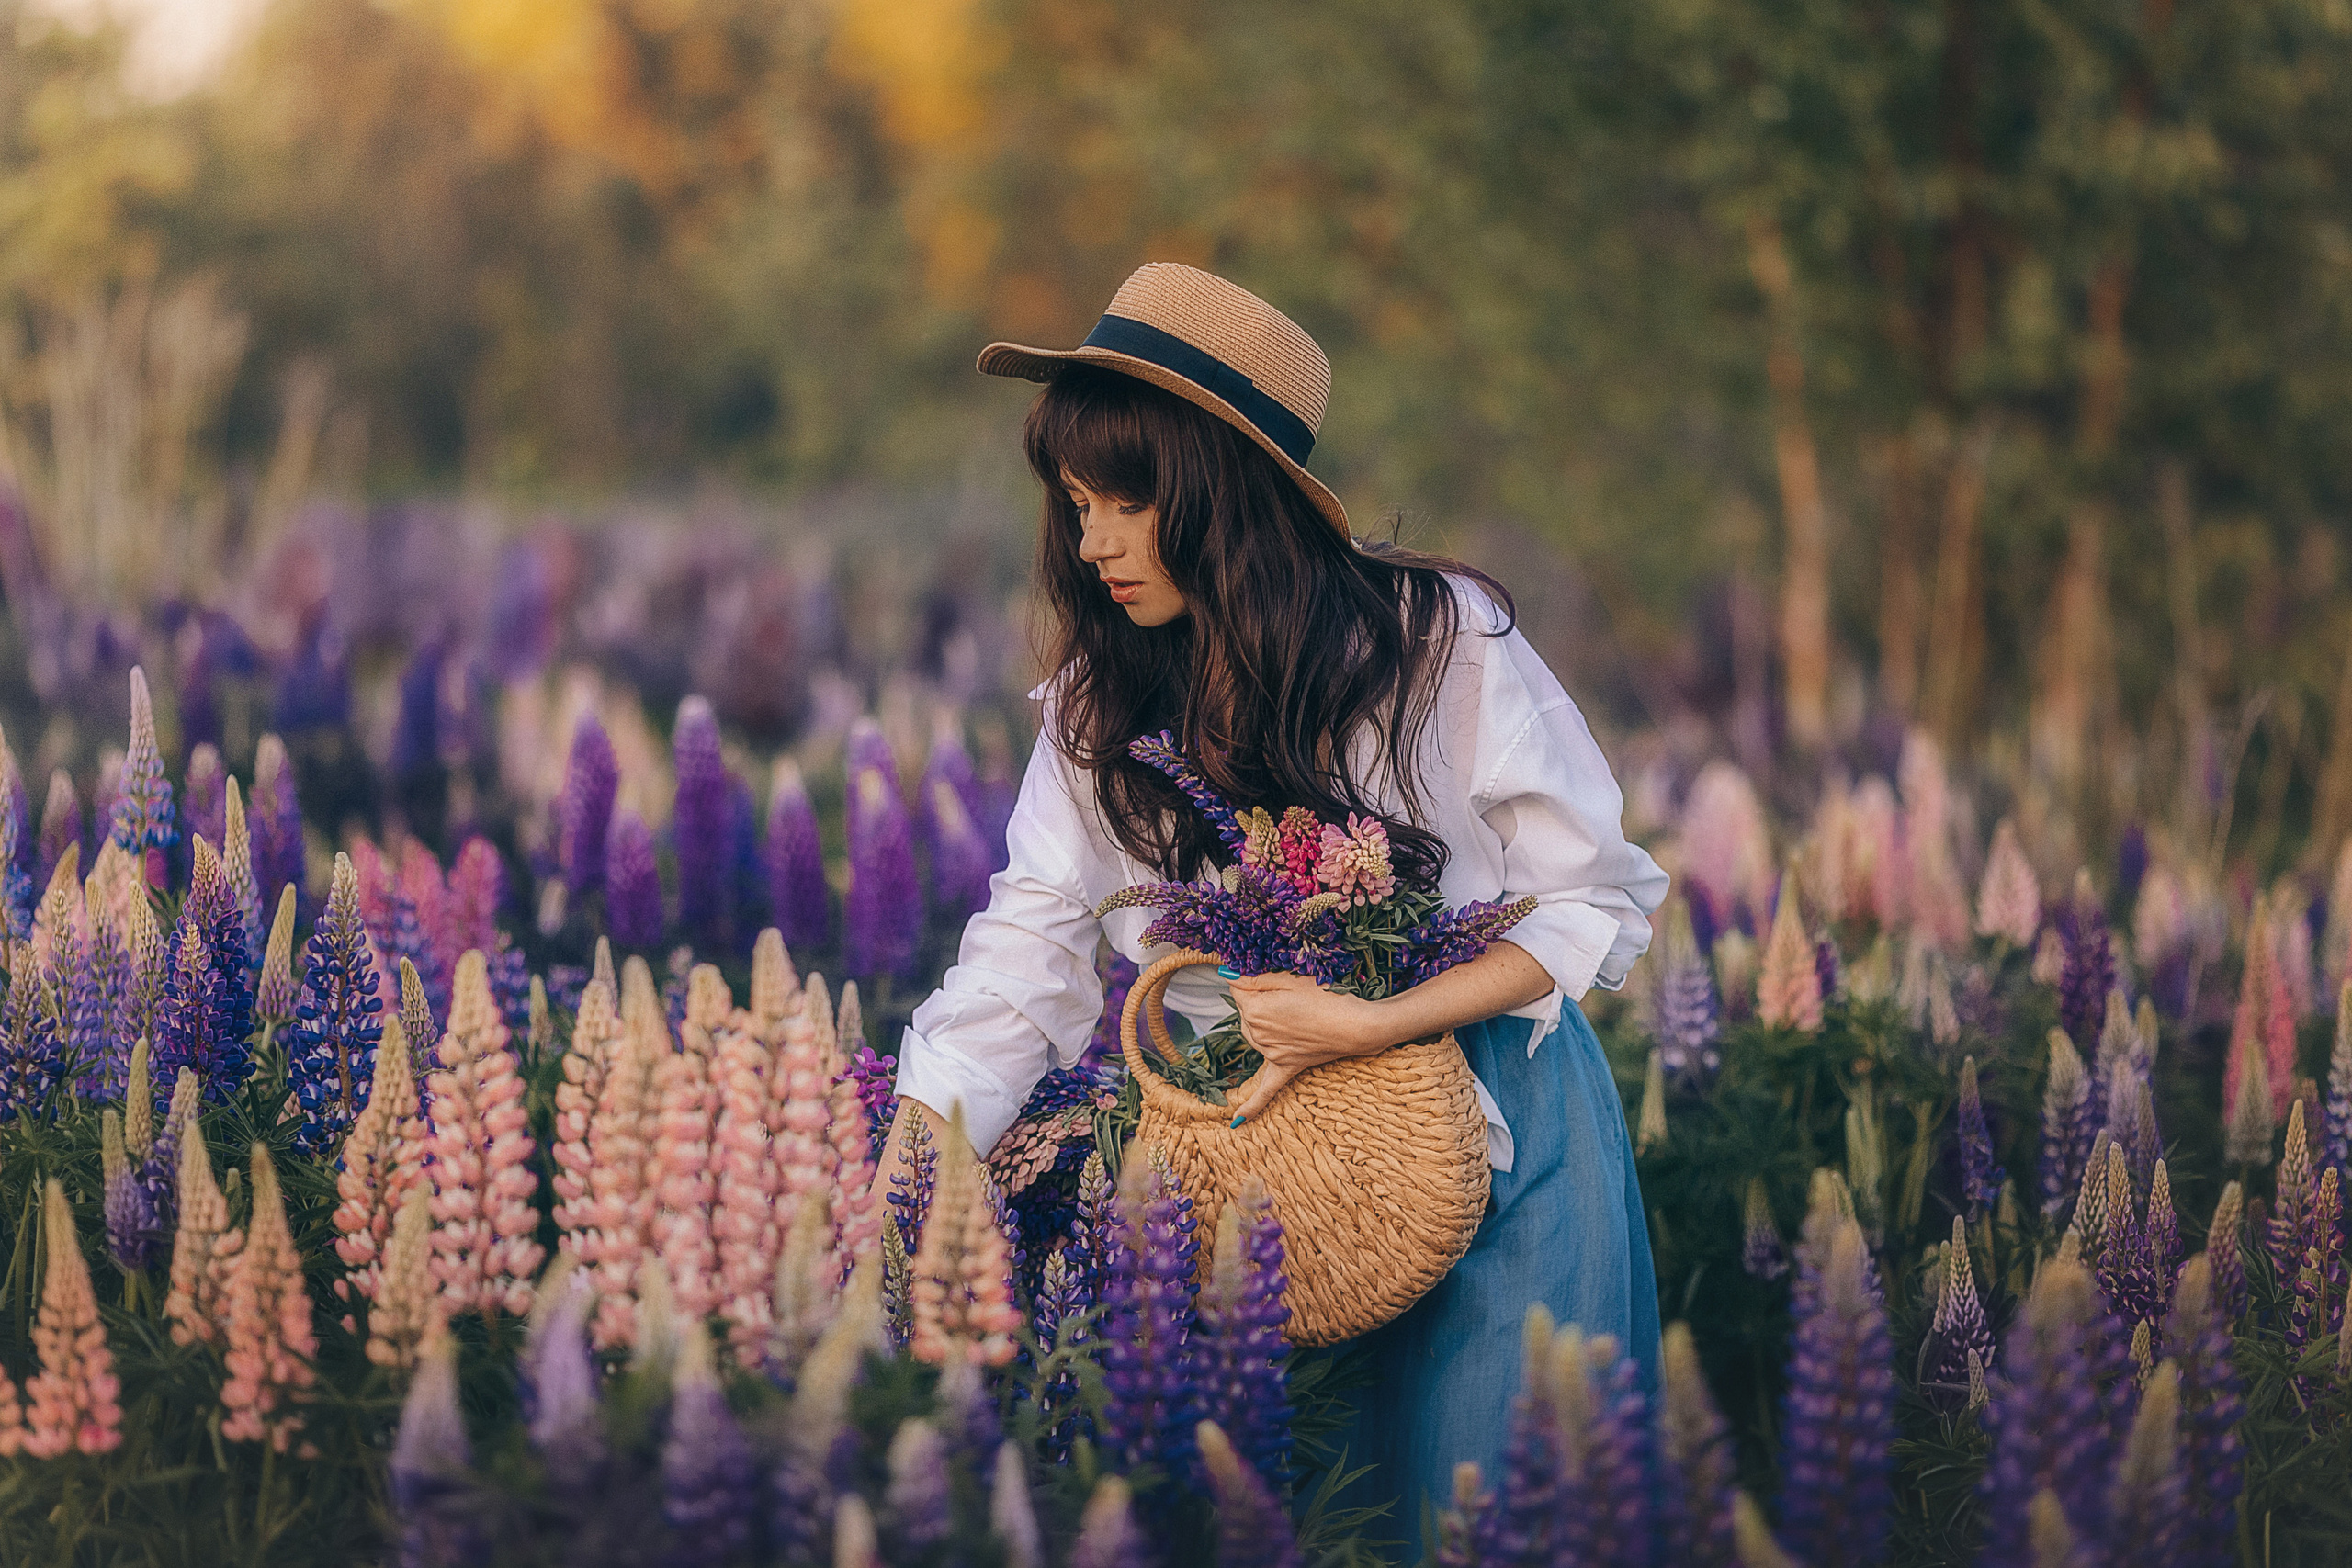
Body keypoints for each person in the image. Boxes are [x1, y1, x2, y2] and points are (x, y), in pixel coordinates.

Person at [887, 261, 1669, 1531]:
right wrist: (918, 1151)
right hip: (1250, 1165)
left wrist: (1362, 1024)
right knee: (1311, 1520)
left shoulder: (1439, 642)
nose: (1091, 544)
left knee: (1509, 1516)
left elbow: (1585, 907)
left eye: (1126, 503)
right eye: (1077, 504)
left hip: (1501, 1122)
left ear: (1219, 495)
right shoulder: (1103, 702)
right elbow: (1027, 953)